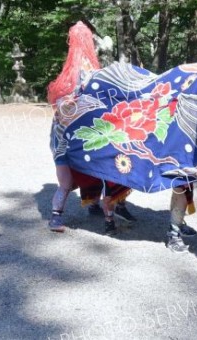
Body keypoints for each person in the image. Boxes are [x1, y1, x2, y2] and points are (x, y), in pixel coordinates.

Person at [47, 22, 134, 234]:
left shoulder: (69, 73)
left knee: (92, 171)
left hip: (65, 134)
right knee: (93, 171)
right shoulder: (85, 71)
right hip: (72, 134)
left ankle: (83, 209)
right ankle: (56, 217)